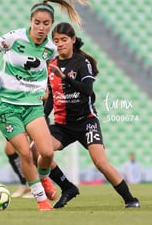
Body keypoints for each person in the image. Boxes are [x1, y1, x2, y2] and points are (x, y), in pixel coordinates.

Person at [0, 0, 89, 211]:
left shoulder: (50, 48)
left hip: (32, 106)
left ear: (51, 25)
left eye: (46, 24)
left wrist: (47, 85)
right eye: (37, 22)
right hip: (7, 106)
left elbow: (48, 66)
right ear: (31, 21)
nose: (41, 27)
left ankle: (45, 176)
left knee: (46, 152)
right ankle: (41, 200)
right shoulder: (14, 38)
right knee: (25, 153)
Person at [43, 22, 140, 209]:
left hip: (86, 122)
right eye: (56, 41)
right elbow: (52, 99)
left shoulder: (81, 63)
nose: (60, 44)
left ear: (72, 40)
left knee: (101, 163)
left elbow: (87, 90)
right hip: (63, 124)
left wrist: (64, 77)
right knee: (40, 153)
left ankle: (130, 199)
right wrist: (42, 119)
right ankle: (67, 187)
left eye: (64, 40)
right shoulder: (52, 65)